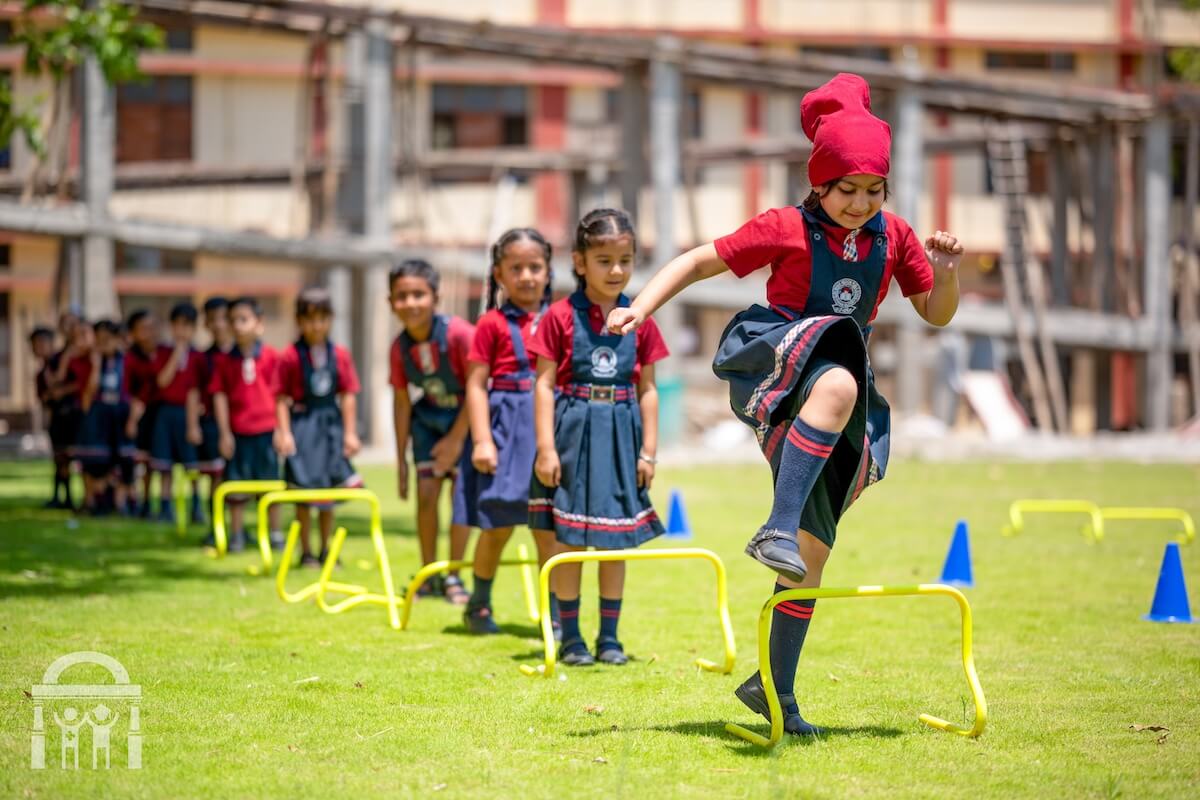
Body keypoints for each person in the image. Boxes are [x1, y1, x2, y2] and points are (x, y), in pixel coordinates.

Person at [605, 73, 963, 734]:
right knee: (839, 379)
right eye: (845, 190)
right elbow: (698, 263)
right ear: (818, 184)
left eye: (872, 191)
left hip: (831, 395)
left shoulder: (898, 238)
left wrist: (945, 273)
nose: (858, 204)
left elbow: (936, 314)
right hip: (776, 361)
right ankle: (776, 524)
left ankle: (774, 690)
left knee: (812, 555)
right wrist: (638, 307)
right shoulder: (785, 227)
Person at [528, 208, 669, 666]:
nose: (616, 270)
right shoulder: (558, 317)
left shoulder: (640, 317)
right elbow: (544, 384)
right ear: (580, 261)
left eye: (625, 260)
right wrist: (546, 448)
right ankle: (571, 638)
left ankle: (610, 638)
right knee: (568, 542)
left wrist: (649, 450)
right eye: (604, 259)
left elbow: (648, 389)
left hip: (622, 436)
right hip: (571, 433)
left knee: (615, 540)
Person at [455, 228, 560, 635]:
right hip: (502, 435)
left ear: (549, 271)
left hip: (545, 437)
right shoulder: (490, 324)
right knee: (496, 527)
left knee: (548, 530)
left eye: (535, 266)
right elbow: (475, 385)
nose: (527, 276)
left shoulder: (560, 319)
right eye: (516, 268)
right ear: (499, 274)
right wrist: (482, 439)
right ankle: (478, 604)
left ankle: (556, 615)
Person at [389, 259, 475, 604]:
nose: (410, 303)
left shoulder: (459, 334)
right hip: (427, 422)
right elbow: (401, 402)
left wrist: (457, 440)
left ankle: (455, 576)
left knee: (461, 500)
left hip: (466, 419)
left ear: (435, 297)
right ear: (390, 302)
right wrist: (400, 462)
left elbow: (478, 388)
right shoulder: (399, 348)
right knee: (426, 496)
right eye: (402, 296)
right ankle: (429, 573)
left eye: (418, 295)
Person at [275, 287, 363, 567]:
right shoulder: (289, 356)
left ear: (331, 320)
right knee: (303, 493)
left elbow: (348, 394)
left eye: (322, 319)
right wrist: (284, 432)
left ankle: (327, 549)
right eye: (310, 319)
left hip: (331, 428)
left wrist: (349, 433)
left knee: (328, 493)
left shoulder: (340, 354)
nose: (316, 326)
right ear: (299, 321)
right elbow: (279, 397)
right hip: (302, 427)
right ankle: (306, 552)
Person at [209, 296, 282, 552]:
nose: (238, 326)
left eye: (244, 319)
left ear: (259, 323)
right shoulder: (224, 361)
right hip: (238, 434)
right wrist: (224, 433)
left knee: (271, 486)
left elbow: (280, 395)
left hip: (266, 433)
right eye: (233, 321)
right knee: (237, 489)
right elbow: (219, 396)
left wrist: (281, 430)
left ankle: (275, 533)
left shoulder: (272, 357)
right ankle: (237, 534)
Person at [149, 302, 203, 525]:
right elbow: (162, 381)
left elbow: (198, 389)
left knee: (191, 465)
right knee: (165, 465)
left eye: (187, 326)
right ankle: (165, 507)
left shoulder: (199, 357)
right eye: (177, 325)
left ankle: (197, 506)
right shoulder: (162, 352)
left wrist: (194, 422)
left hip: (188, 414)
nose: (182, 330)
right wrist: (176, 354)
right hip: (165, 412)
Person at [75, 320, 133, 515]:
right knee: (95, 459)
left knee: (123, 459)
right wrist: (96, 366)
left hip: (120, 416)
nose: (103, 344)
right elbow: (87, 395)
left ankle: (120, 502)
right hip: (97, 416)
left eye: (108, 339)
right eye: (99, 340)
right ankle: (93, 501)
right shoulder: (89, 361)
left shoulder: (126, 360)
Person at [191, 296, 233, 544]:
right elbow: (194, 392)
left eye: (222, 318)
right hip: (211, 425)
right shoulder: (203, 358)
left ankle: (237, 529)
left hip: (240, 426)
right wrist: (193, 424)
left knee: (237, 478)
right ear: (206, 323)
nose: (218, 324)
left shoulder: (240, 356)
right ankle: (216, 527)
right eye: (212, 319)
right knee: (215, 477)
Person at [123, 310, 166, 518]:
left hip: (163, 412)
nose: (149, 333)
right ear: (133, 333)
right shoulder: (130, 358)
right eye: (143, 329)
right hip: (139, 413)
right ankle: (143, 501)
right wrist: (132, 419)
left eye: (153, 327)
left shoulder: (165, 353)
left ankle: (163, 504)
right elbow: (129, 391)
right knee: (141, 461)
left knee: (161, 462)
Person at [44, 309, 81, 509]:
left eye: (72, 323)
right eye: (64, 324)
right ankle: (63, 496)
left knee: (79, 456)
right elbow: (52, 380)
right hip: (60, 413)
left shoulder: (85, 354)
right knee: (60, 457)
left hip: (77, 412)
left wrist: (64, 390)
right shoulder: (57, 356)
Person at [30, 326, 57, 497]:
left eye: (42, 343)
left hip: (69, 417)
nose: (38, 348)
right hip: (54, 417)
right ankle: (58, 495)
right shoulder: (41, 373)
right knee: (57, 457)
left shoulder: (61, 364)